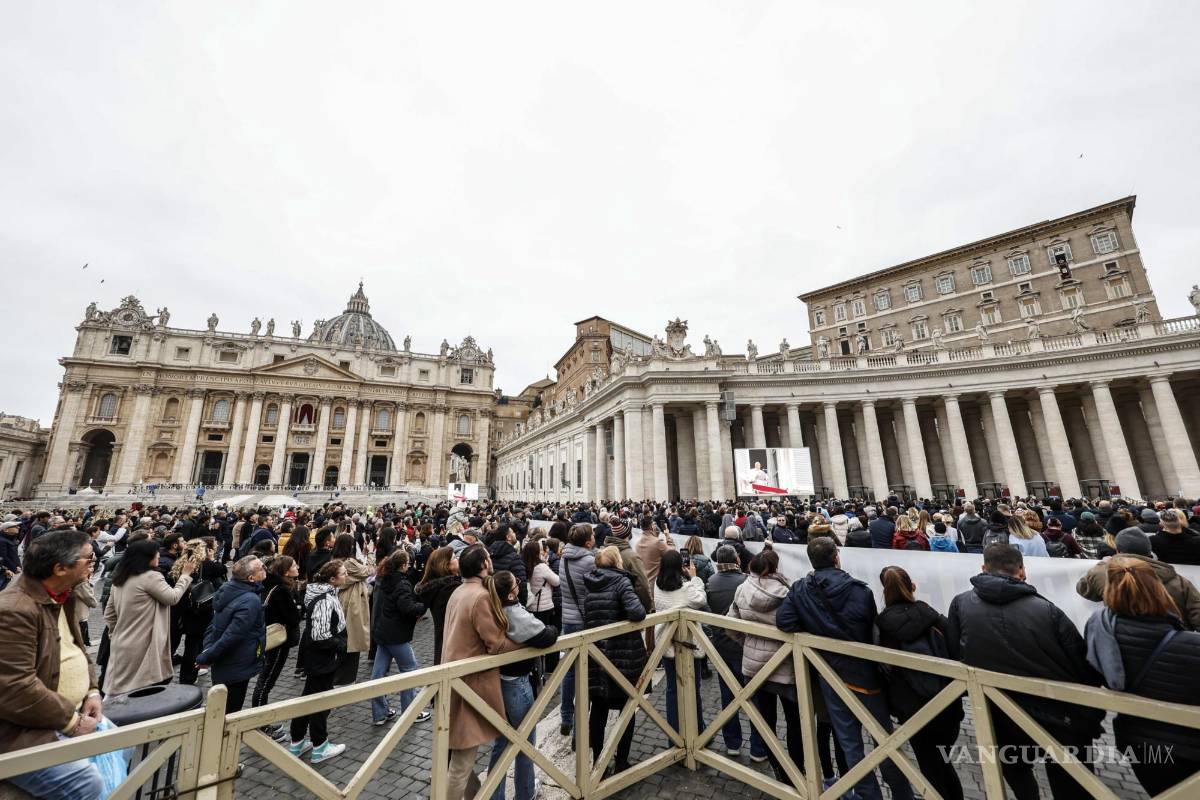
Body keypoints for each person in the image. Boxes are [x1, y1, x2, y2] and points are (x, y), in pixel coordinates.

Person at [946, 543, 1103, 799]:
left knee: (1016, 771)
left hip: (998, 708)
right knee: (1071, 782)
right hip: (1057, 712)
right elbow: (1083, 666)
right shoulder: (1047, 610)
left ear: (984, 568)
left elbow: (955, 652)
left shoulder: (961, 603)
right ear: (1022, 571)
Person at [776, 537, 913, 800]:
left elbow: (785, 621)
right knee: (885, 741)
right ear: (837, 557)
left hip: (830, 672)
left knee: (850, 742)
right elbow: (870, 632)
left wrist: (813, 630)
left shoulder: (801, 589)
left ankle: (867, 794)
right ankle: (902, 794)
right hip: (864, 674)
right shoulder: (860, 591)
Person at [0, 529, 106, 800]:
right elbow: (14, 687)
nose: (93, 565)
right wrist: (71, 722)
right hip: (20, 730)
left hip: (63, 711)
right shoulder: (14, 610)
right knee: (87, 783)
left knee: (122, 743)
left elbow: (75, 648)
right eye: (89, 560)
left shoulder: (62, 595)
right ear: (60, 568)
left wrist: (92, 691)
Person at [1085, 557, 1200, 794]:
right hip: (1187, 746)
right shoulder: (1190, 644)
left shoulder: (1101, 630)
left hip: (1135, 739)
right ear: (1159, 589)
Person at [875, 566, 964, 800]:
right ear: (912, 586)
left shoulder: (882, 624)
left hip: (911, 707)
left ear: (884, 592)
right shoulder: (931, 615)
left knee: (930, 765)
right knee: (943, 762)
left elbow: (882, 667)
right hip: (946, 703)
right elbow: (957, 649)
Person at [442, 544, 523, 800]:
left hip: (455, 678)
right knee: (461, 763)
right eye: (488, 558)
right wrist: (529, 641)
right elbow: (497, 644)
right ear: (483, 566)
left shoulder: (458, 591)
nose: (491, 561)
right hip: (471, 685)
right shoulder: (481, 596)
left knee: (460, 756)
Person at [728, 548, 804, 782]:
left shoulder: (742, 589)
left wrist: (749, 643)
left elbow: (731, 625)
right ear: (774, 568)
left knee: (766, 720)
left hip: (755, 666)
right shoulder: (788, 592)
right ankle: (797, 769)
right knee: (794, 721)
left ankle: (778, 769)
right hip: (785, 665)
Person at [486, 570, 559, 800]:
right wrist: (555, 629)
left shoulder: (492, 609)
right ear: (509, 594)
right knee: (525, 742)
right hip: (516, 683)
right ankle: (525, 793)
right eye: (516, 584)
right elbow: (546, 635)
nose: (519, 585)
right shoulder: (513, 612)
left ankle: (495, 795)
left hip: (499, 681)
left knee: (502, 741)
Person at [104, 538, 196, 696]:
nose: (159, 556)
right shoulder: (150, 577)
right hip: (145, 642)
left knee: (120, 688)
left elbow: (109, 613)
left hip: (122, 641)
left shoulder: (120, 577)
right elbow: (172, 598)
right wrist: (185, 576)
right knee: (142, 689)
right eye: (156, 554)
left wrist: (115, 633)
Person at [584, 546, 647, 776]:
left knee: (598, 709)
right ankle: (621, 761)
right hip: (622, 654)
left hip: (597, 655)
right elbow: (637, 612)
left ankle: (598, 762)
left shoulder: (590, 584)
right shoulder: (621, 583)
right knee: (626, 709)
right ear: (617, 562)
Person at [704, 544, 767, 760]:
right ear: (737, 559)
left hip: (722, 647)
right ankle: (758, 749)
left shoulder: (710, 583)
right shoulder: (746, 582)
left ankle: (732, 743)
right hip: (745, 646)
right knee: (754, 698)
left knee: (728, 697)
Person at [1075, 528, 1200, 629]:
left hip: (1124, 644)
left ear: (1118, 550)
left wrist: (1103, 565)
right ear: (1149, 551)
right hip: (1174, 645)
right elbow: (1197, 616)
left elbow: (1083, 589)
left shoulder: (1102, 572)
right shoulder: (1179, 581)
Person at [288, 559, 349, 763]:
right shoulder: (324, 599)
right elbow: (320, 634)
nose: (346, 575)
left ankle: (297, 741)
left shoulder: (324, 593)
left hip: (317, 656)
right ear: (332, 579)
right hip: (323, 657)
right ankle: (320, 745)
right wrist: (340, 644)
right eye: (343, 573)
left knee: (309, 696)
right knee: (320, 700)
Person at [196, 555, 267, 714]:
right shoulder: (250, 601)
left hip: (226, 662)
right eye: (261, 567)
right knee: (230, 711)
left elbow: (214, 625)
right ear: (251, 578)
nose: (265, 569)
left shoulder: (227, 589)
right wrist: (207, 656)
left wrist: (208, 650)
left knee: (222, 705)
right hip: (237, 663)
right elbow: (232, 635)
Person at [370, 549, 431, 725]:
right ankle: (410, 713)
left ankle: (380, 713)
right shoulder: (402, 584)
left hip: (383, 631)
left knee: (378, 673)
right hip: (396, 634)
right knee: (409, 670)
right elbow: (408, 608)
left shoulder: (384, 578)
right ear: (403, 565)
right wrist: (423, 605)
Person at [654, 550, 707, 734]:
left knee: (671, 689)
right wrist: (694, 578)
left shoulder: (657, 585)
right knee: (694, 689)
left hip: (667, 643)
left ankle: (674, 733)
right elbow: (700, 600)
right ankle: (697, 731)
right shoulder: (686, 589)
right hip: (688, 642)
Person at [254, 555, 301, 737]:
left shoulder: (277, 586)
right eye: (294, 565)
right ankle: (259, 723)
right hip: (277, 641)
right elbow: (293, 617)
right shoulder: (281, 590)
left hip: (277, 639)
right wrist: (297, 609)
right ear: (285, 571)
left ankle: (261, 720)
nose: (297, 566)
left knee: (266, 680)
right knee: (266, 682)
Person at [557, 523, 596, 737]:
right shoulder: (589, 561)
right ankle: (579, 728)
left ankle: (565, 716)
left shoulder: (564, 557)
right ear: (588, 542)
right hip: (584, 620)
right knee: (585, 674)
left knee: (569, 672)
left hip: (568, 620)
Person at [176, 539, 225, 685]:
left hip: (186, 608)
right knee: (197, 643)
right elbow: (222, 569)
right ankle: (190, 675)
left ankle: (187, 675)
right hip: (202, 608)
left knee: (191, 642)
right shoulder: (206, 565)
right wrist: (210, 558)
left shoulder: (181, 564)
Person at [331, 532, 373, 684]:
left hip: (343, 602)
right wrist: (370, 554)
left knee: (346, 640)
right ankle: (345, 680)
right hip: (351, 604)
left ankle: (342, 678)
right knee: (351, 641)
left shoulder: (335, 560)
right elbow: (368, 571)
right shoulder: (348, 563)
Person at [415, 546, 463, 665]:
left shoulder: (441, 587)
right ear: (446, 565)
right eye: (454, 557)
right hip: (452, 644)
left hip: (444, 641)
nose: (457, 559)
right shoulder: (450, 588)